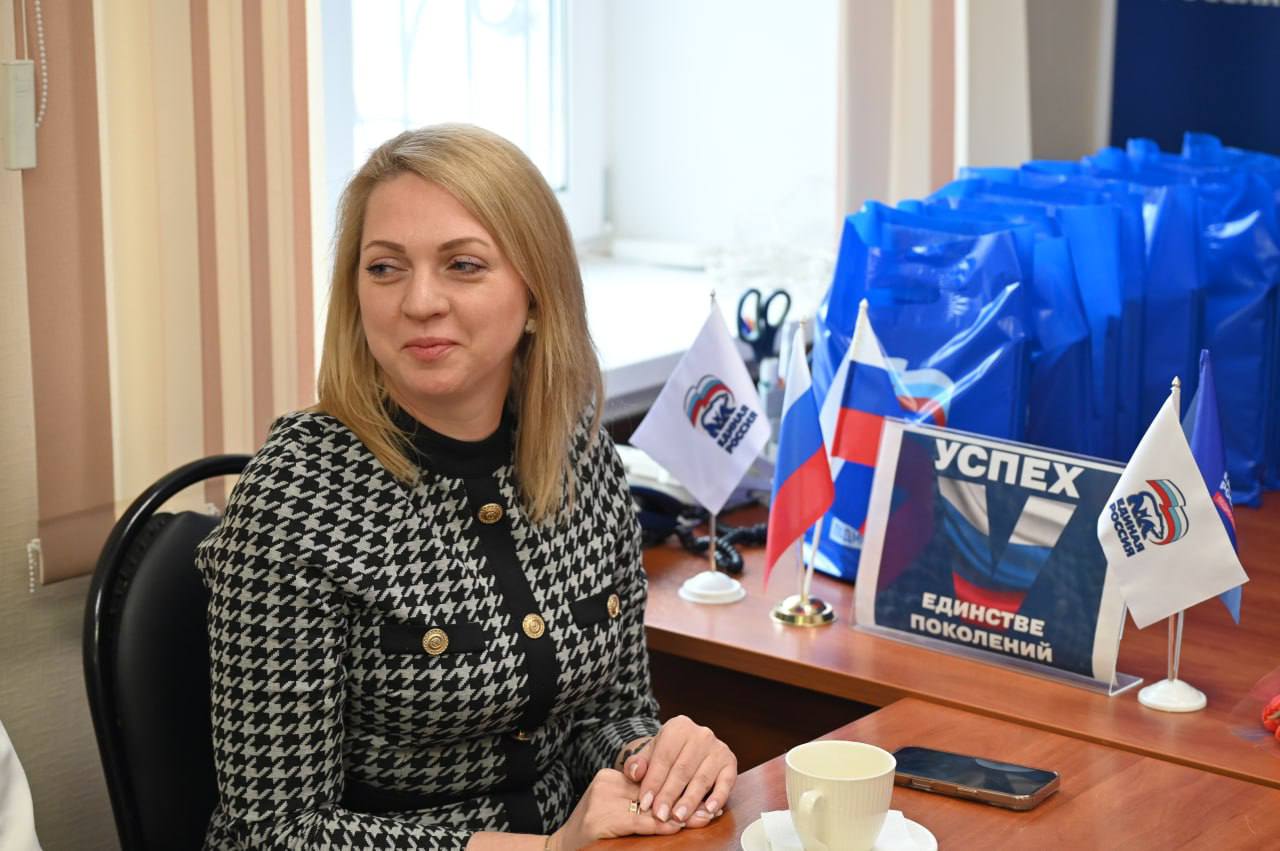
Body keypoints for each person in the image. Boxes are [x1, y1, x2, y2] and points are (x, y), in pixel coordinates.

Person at [197, 124, 738, 850]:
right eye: (385, 268)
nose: (420, 300)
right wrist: (545, 849)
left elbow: (604, 713)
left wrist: (660, 761)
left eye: (462, 265)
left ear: (537, 294)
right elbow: (276, 830)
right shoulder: (299, 492)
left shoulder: (580, 456)